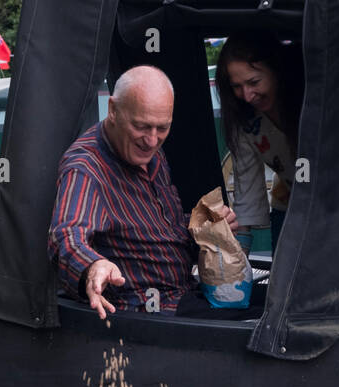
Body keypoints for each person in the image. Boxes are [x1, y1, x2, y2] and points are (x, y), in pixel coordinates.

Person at [49, 65, 240, 319]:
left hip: (187, 291)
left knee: (274, 307)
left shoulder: (151, 153)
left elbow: (164, 230)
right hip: (149, 312)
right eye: (141, 126)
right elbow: (66, 236)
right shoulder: (85, 168)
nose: (151, 140)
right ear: (113, 110)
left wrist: (206, 225)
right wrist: (93, 266)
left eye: (162, 128)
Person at [214, 33, 304, 252]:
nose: (246, 95)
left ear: (276, 71)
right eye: (236, 86)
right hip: (288, 206)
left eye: (254, 82)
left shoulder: (308, 105)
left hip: (334, 205)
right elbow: (247, 183)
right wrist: (240, 253)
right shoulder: (243, 119)